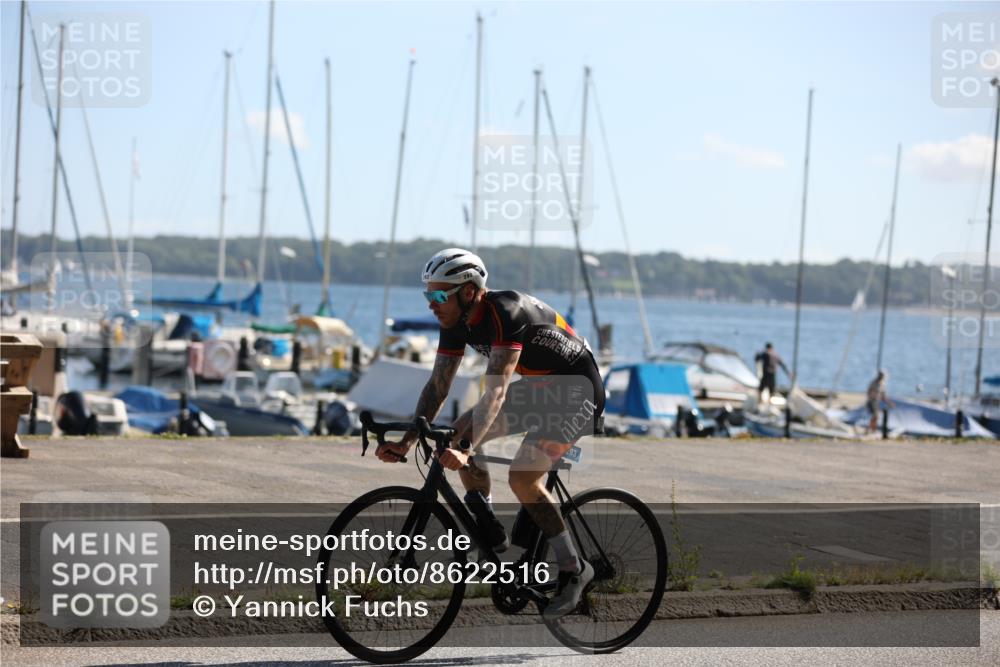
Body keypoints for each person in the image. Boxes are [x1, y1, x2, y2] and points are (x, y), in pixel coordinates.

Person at [375, 248, 605, 618]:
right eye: (427, 295)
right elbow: (438, 385)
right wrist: (407, 440)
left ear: (468, 292)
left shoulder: (506, 313)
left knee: (522, 477)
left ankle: (574, 569)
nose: (432, 304)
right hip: (541, 388)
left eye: (438, 295)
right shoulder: (455, 320)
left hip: (578, 392)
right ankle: (492, 534)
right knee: (457, 433)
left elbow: (496, 391)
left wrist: (467, 448)